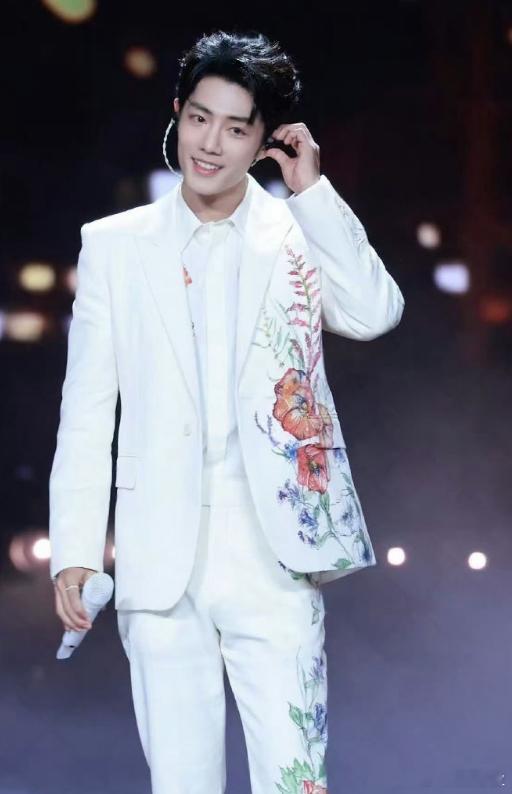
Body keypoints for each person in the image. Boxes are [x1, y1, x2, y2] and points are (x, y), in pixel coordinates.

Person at [49, 29, 404, 794]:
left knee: (295, 780)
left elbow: (374, 313)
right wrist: (75, 548)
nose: (210, 144)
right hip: (158, 556)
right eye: (199, 118)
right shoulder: (114, 246)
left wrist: (311, 191)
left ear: (265, 140)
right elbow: (86, 411)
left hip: (274, 553)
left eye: (236, 128)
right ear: (178, 114)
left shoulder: (297, 232)